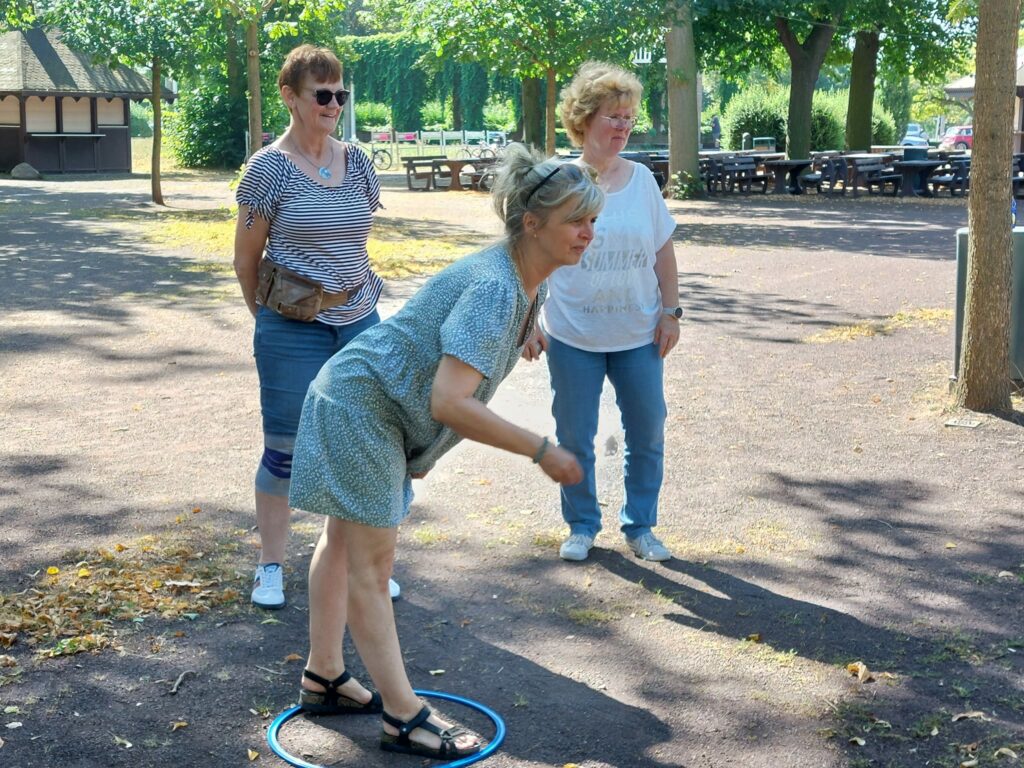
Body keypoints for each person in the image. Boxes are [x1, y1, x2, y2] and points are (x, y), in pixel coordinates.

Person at [288, 144, 600, 759]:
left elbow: (469, 322)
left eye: (593, 219)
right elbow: (450, 403)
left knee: (343, 542)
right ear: (532, 224)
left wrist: (522, 330)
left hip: (356, 393)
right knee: (371, 569)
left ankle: (324, 675)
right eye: (575, 220)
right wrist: (541, 449)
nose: (588, 233)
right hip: (363, 409)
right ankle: (404, 718)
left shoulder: (517, 281)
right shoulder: (498, 289)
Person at [233, 44, 398, 609]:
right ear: (290, 96)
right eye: (321, 94)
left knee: (363, 445)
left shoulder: (358, 161)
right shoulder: (266, 170)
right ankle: (270, 567)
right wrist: (272, 320)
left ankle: (358, 567)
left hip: (359, 321)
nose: (333, 104)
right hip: (291, 328)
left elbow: (356, 238)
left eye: (340, 94)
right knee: (284, 449)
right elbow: (245, 260)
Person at [522, 61, 680, 563]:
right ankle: (582, 524)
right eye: (613, 116)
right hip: (573, 334)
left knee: (647, 430)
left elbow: (663, 251)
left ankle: (640, 526)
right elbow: (530, 255)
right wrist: (527, 324)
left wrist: (671, 311)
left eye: (629, 117)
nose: (623, 126)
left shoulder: (643, 182)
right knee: (574, 436)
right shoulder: (558, 181)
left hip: (638, 331)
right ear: (584, 119)